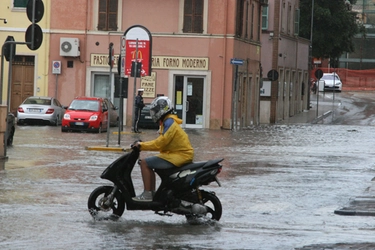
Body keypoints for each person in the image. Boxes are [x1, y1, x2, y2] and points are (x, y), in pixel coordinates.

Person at [132, 96, 194, 202]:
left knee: (144, 163)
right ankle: (151, 193)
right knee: (148, 162)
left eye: (156, 110)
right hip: (175, 155)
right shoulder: (167, 122)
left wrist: (142, 145)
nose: (154, 113)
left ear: (163, 109)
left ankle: (148, 194)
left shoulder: (169, 123)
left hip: (178, 156)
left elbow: (160, 143)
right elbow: (162, 143)